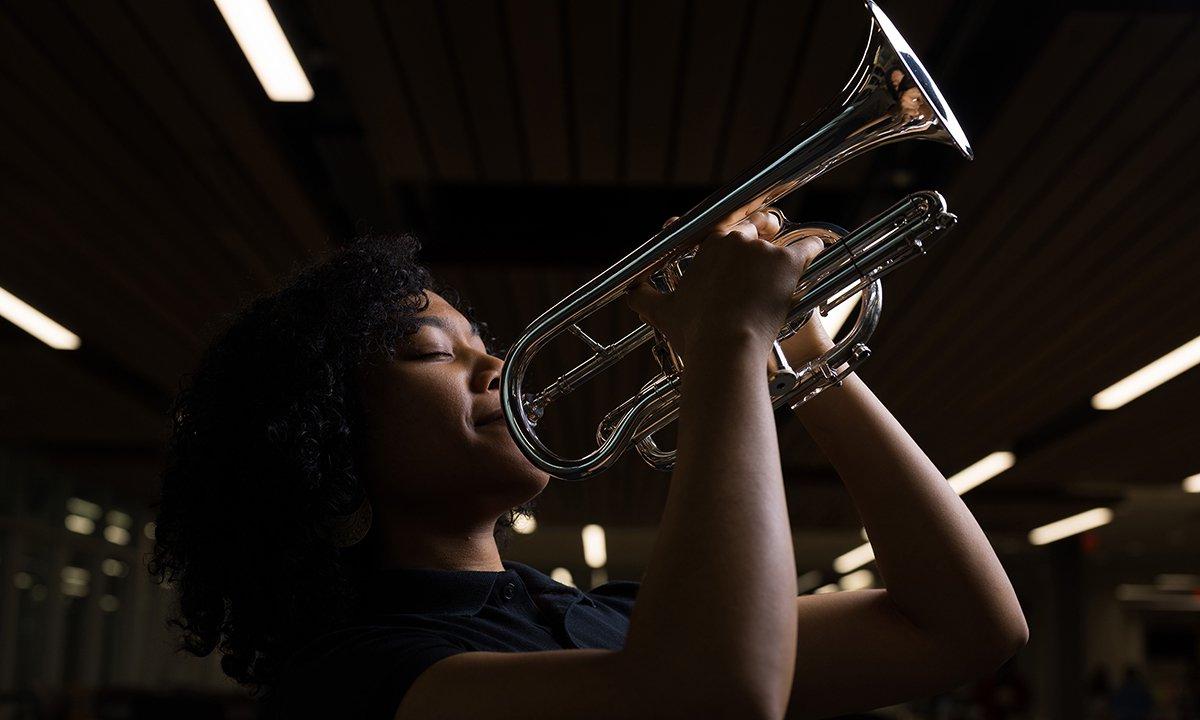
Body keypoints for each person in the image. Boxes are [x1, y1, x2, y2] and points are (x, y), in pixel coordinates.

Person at [149, 211, 1028, 720]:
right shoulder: (349, 681)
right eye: (428, 352)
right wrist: (727, 345)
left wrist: (802, 363)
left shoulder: (603, 618)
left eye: (481, 344)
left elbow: (964, 627)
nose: (497, 368)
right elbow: (714, 698)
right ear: (322, 438)